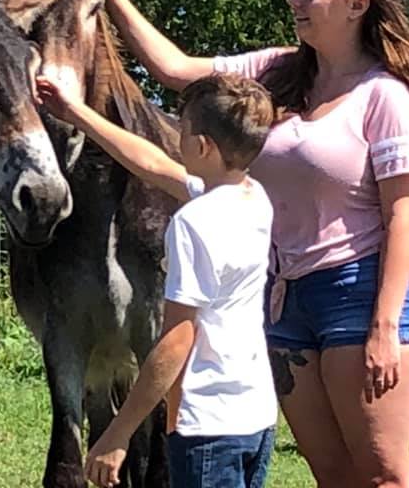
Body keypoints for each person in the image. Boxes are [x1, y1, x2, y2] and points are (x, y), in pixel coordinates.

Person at [93, 0, 409, 487]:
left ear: (357, 4)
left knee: (382, 476)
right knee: (332, 474)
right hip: (286, 298)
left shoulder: (385, 97)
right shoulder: (278, 70)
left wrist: (385, 324)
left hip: (359, 291)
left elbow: (403, 217)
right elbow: (175, 68)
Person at [36, 71, 278, 488]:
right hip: (255, 417)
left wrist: (117, 433)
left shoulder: (193, 221)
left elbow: (176, 341)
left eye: (181, 130)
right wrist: (74, 110)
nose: (175, 137)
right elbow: (152, 163)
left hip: (206, 425)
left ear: (202, 146)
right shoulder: (254, 196)